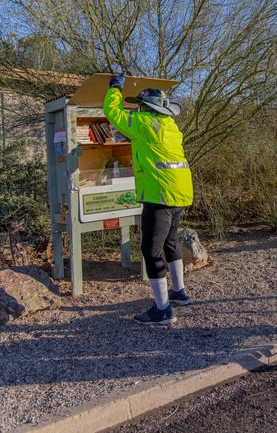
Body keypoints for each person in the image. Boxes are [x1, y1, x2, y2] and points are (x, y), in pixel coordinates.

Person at [103, 72, 193, 325]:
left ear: (146, 108)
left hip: (158, 193)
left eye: (141, 106)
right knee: (171, 242)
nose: (139, 109)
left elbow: (113, 113)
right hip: (179, 191)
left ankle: (163, 310)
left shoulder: (143, 123)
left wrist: (115, 87)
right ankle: (179, 292)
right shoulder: (171, 127)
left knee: (150, 250)